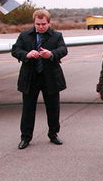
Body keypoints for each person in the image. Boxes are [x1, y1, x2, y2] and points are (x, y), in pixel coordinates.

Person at [11, 9, 68, 149]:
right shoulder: (24, 36)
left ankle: (53, 133)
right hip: (30, 77)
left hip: (50, 77)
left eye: (43, 24)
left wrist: (52, 54)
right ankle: (25, 137)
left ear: (49, 23)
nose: (41, 27)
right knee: (28, 109)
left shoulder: (56, 36)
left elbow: (63, 49)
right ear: (34, 23)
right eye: (38, 24)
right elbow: (15, 50)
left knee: (53, 108)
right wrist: (26, 54)